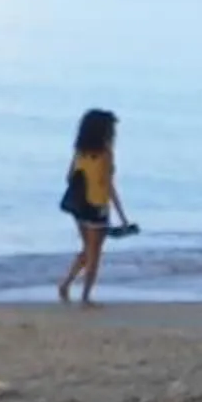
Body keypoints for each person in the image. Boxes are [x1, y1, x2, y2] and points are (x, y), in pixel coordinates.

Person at [57, 108, 129, 304]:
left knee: (88, 249)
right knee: (94, 254)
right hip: (97, 207)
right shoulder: (105, 153)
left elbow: (69, 177)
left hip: (79, 207)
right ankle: (85, 297)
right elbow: (108, 185)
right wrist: (122, 217)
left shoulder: (80, 150)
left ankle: (66, 285)